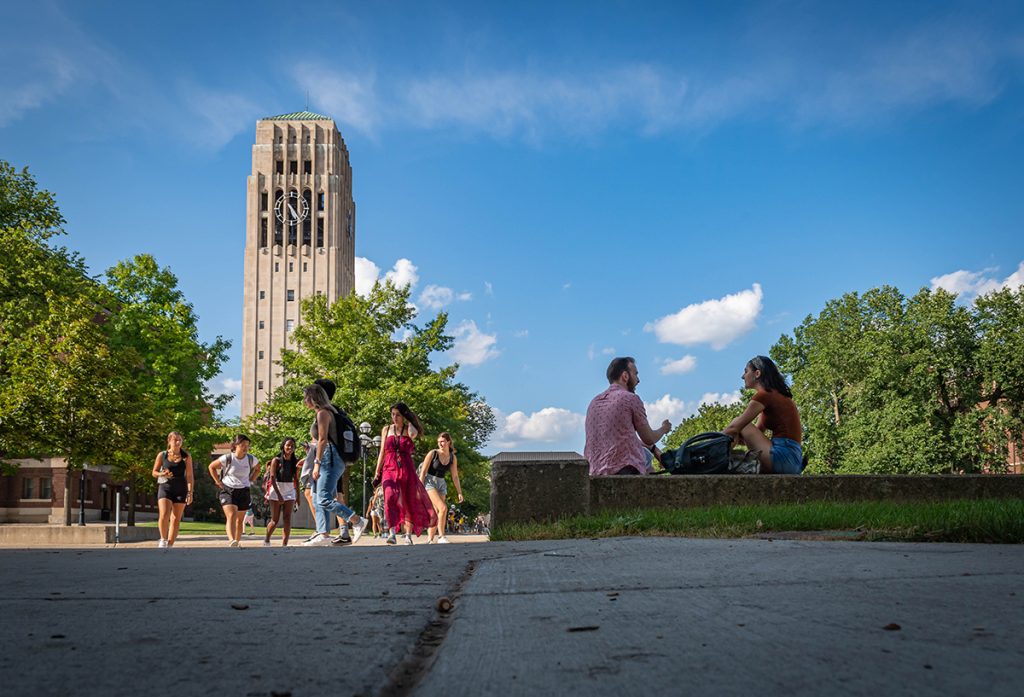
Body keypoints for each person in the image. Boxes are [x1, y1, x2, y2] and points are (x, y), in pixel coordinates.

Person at [301, 384, 368, 546]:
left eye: (306, 397)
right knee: (316, 497)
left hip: (329, 458)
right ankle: (323, 534)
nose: (304, 401)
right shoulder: (326, 412)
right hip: (327, 457)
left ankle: (357, 521)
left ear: (313, 398)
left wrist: (316, 463)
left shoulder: (323, 413)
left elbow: (323, 440)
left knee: (323, 498)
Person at [584, 356, 672, 476]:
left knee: (645, 452)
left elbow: (624, 438)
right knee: (646, 459)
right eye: (635, 374)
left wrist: (654, 449)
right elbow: (649, 438)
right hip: (624, 469)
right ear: (625, 376)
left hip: (594, 471)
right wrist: (664, 428)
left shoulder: (594, 402)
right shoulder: (630, 398)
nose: (638, 380)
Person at [723, 355, 804, 474]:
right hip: (792, 460)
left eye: (746, 371)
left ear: (757, 373)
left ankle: (712, 457)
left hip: (784, 457)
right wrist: (734, 436)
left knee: (741, 424)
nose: (742, 376)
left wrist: (714, 441)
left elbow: (736, 427)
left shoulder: (764, 395)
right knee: (738, 429)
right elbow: (757, 431)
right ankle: (721, 458)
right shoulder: (774, 395)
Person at [371, 402, 437, 545]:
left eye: (398, 415)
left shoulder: (409, 430)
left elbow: (414, 433)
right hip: (389, 467)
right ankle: (392, 532)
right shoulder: (386, 429)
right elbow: (382, 451)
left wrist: (409, 420)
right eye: (392, 414)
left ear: (404, 416)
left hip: (406, 468)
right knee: (389, 497)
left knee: (407, 500)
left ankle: (407, 535)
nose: (394, 417)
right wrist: (377, 471)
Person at [209, 435, 260, 548]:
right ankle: (231, 540)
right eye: (242, 445)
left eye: (247, 446)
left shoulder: (251, 459)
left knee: (240, 519)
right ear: (235, 446)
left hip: (244, 490)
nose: (245, 448)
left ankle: (236, 542)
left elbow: (258, 469)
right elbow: (211, 467)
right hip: (228, 489)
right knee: (231, 515)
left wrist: (251, 479)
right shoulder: (227, 458)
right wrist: (218, 481)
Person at [419, 432, 463, 544]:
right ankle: (441, 537)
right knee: (443, 508)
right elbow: (423, 472)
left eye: (442, 441)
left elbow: (455, 476)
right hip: (430, 482)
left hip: (441, 484)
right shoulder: (433, 453)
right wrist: (419, 487)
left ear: (448, 442)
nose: (440, 444)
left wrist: (459, 492)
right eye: (439, 442)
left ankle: (429, 539)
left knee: (437, 511)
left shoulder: (453, 457)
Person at [152, 431, 194, 548]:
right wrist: (162, 474)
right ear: (169, 441)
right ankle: (163, 539)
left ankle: (170, 544)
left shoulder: (186, 457)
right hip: (165, 487)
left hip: (181, 488)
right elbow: (154, 472)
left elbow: (190, 476)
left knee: (176, 518)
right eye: (175, 440)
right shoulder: (163, 455)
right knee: (164, 514)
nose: (178, 442)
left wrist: (190, 493)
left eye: (180, 440)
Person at [263, 437, 300, 546]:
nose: (290, 447)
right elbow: (272, 478)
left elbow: (296, 480)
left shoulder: (295, 462)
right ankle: (267, 539)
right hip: (276, 489)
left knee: (287, 518)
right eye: (288, 445)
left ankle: (284, 544)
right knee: (275, 520)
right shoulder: (276, 460)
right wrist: (279, 495)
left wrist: (298, 497)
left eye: (292, 446)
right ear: (283, 446)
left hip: (289, 489)